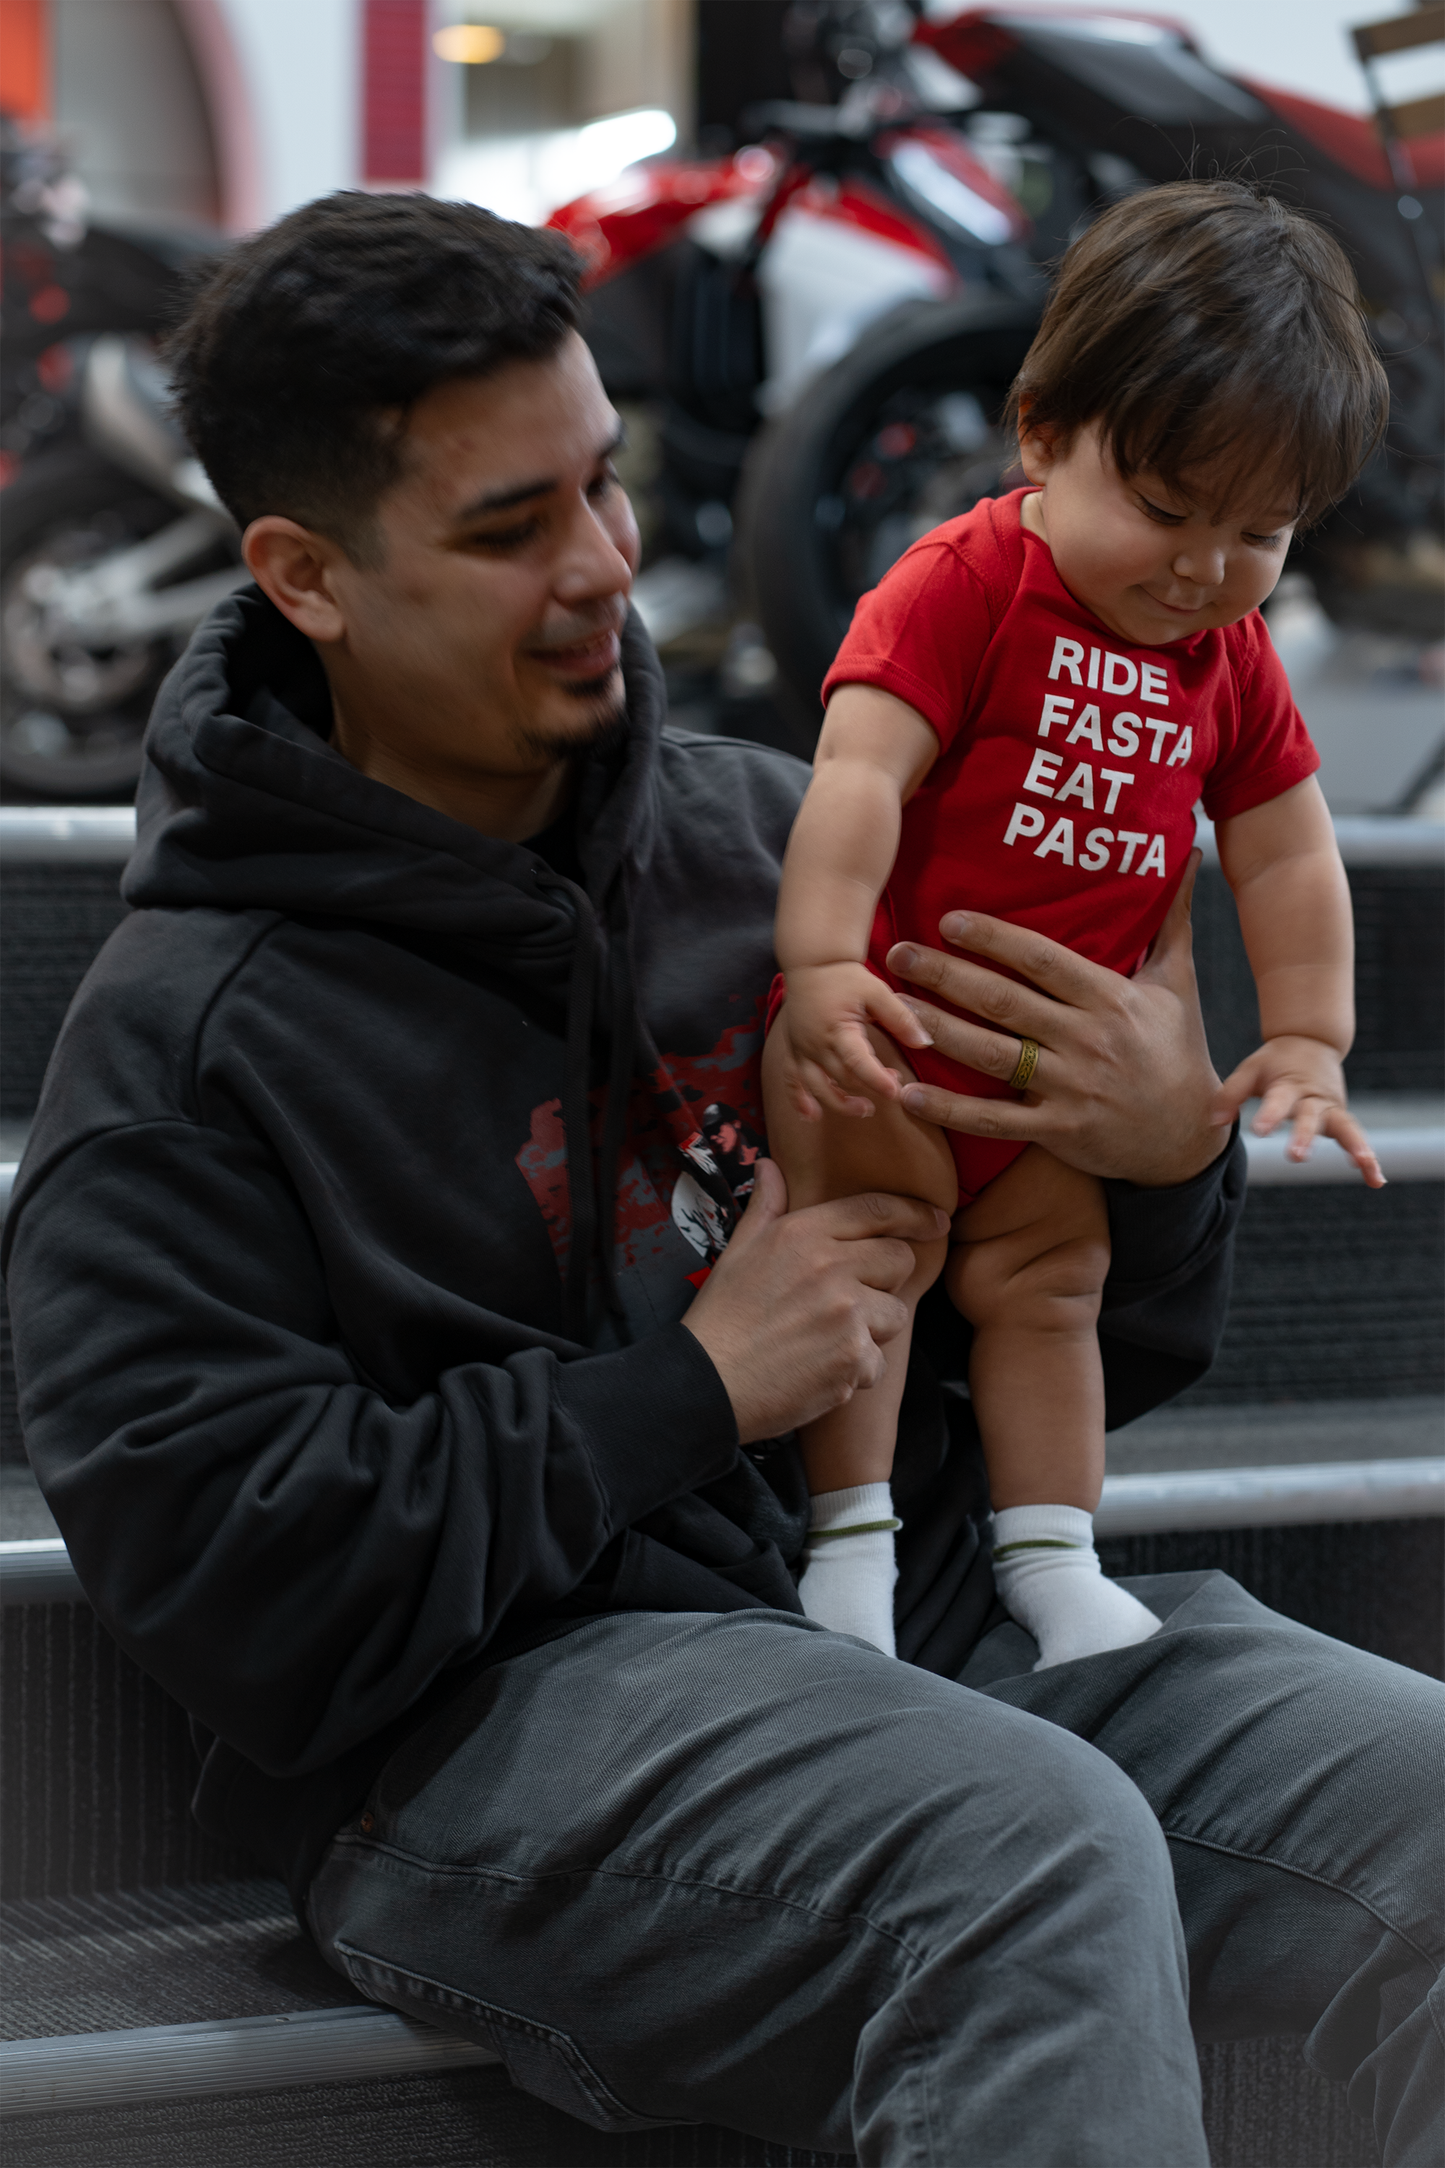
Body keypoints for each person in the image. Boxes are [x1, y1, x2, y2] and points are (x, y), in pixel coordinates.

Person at [3, 193, 1439, 2168]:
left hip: (923, 1607)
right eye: (510, 527)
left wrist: (1160, 1151)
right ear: (305, 574)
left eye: (605, 483)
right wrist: (690, 1385)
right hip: (498, 1728)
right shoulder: (185, 1050)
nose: (607, 563)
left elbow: (1125, 1342)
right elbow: (240, 1590)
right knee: (1019, 1858)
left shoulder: (784, 841)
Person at [768, 180, 1389, 1664]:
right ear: (1043, 433)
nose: (1203, 568)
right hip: (892, 1040)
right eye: (1166, 510)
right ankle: (849, 1546)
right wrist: (822, 964)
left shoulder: (1227, 654)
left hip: (1056, 1086)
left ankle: (1053, 1558)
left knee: (1052, 1292)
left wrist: (1308, 1034)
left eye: (1260, 531)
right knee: (869, 1259)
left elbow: (1287, 850)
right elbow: (857, 773)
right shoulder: (968, 584)